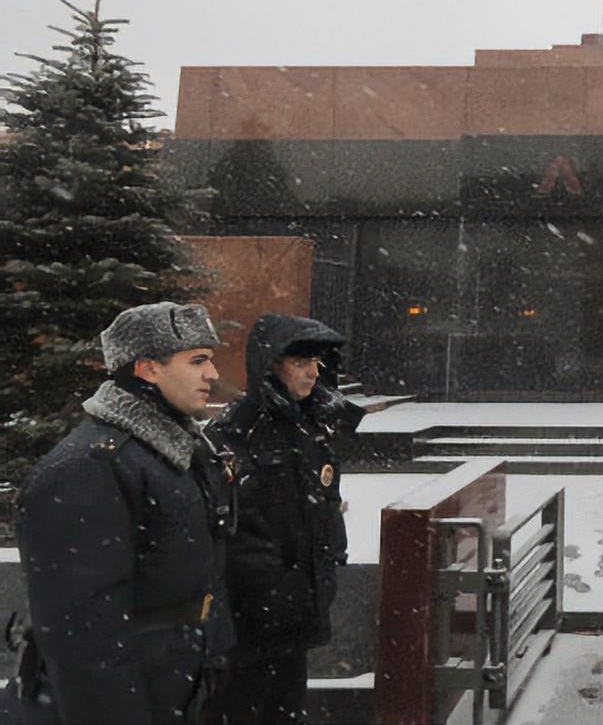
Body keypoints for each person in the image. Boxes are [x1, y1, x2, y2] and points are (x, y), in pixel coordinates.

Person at [5, 302, 237, 725]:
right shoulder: (89, 467)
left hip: (170, 686)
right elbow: (83, 634)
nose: (213, 374)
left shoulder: (173, 450)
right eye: (198, 361)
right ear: (148, 369)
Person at [204, 315, 367, 725]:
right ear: (271, 365)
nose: (313, 372)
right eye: (300, 362)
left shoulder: (310, 427)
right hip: (251, 621)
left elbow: (323, 505)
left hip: (297, 613)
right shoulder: (237, 431)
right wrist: (274, 588)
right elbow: (230, 529)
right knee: (240, 709)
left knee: (286, 710)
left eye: (316, 362)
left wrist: (325, 566)